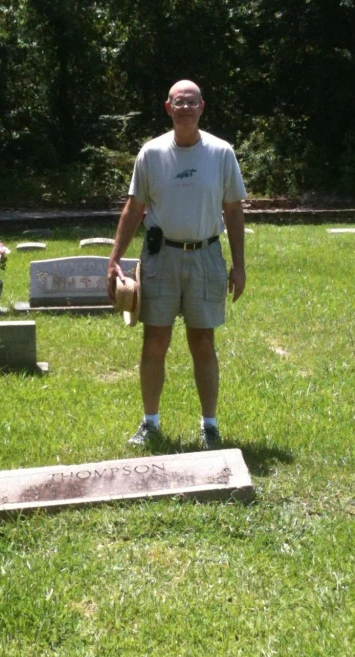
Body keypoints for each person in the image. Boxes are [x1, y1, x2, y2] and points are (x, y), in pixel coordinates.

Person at [107, 79, 247, 449]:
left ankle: (210, 426)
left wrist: (239, 265)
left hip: (206, 256)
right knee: (154, 340)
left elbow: (233, 210)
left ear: (203, 107)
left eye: (192, 102)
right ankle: (150, 423)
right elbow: (135, 207)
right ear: (167, 107)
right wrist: (115, 258)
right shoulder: (151, 154)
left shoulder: (221, 153)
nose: (185, 107)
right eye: (178, 102)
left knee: (203, 341)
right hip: (160, 257)